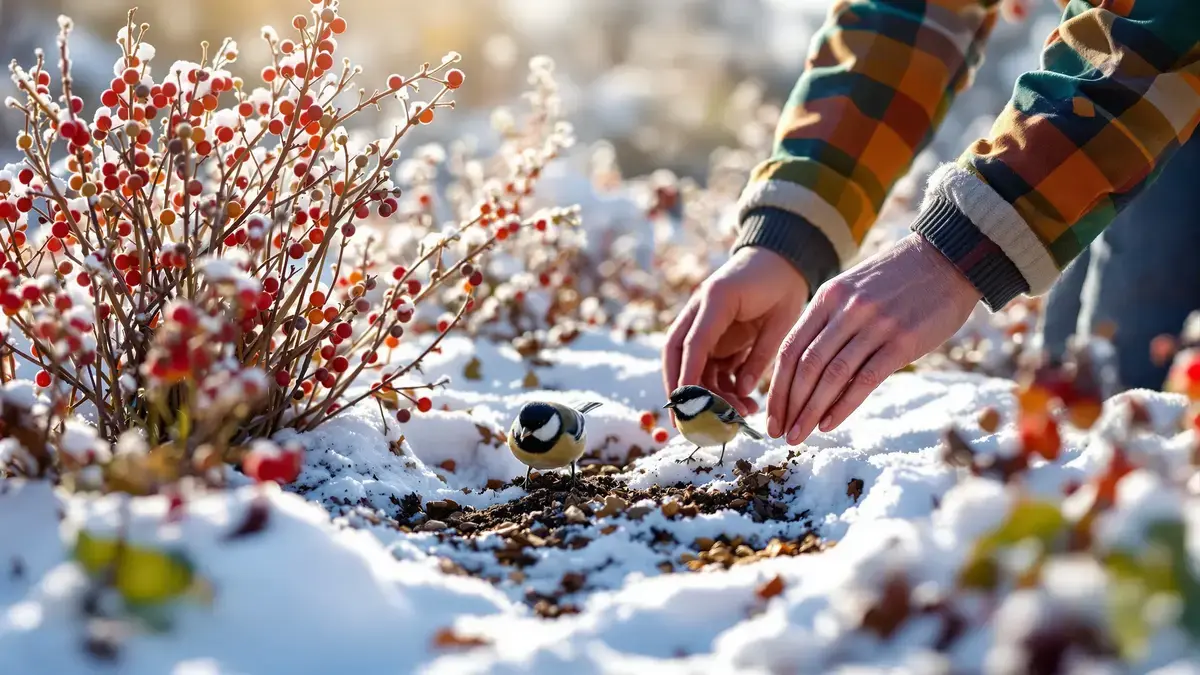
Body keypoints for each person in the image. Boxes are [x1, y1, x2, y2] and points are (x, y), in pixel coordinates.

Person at [662, 0, 1200, 446]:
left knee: (1139, 408)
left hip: (1164, 94)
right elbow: (906, 13)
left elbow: (1158, 27)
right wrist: (790, 232)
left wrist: (955, 250)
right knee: (1072, 401)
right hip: (1138, 108)